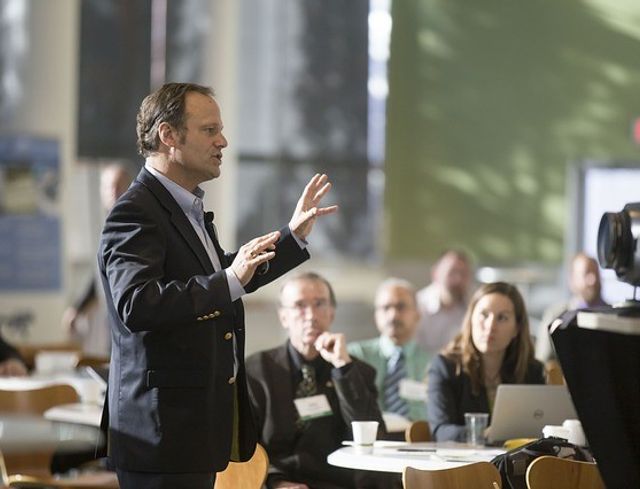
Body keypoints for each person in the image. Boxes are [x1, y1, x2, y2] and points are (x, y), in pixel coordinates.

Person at [98, 82, 337, 489]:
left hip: (191, 432)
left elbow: (221, 277)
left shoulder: (184, 205)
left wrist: (291, 237)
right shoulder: (136, 212)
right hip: (160, 436)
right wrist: (229, 278)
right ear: (168, 136)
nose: (223, 141)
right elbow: (137, 304)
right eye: (209, 130)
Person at [246, 272, 397, 489]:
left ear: (332, 313)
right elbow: (244, 448)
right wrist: (275, 481)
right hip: (271, 482)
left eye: (319, 304)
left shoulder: (356, 372)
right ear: (283, 317)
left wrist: (343, 368)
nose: (311, 315)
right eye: (299, 305)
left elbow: (372, 437)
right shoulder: (256, 370)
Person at [427, 282, 545, 442]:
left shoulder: (532, 371)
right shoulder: (445, 366)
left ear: (517, 329)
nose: (490, 326)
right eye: (484, 315)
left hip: (516, 464)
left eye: (502, 318)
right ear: (470, 319)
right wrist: (483, 434)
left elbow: (542, 428)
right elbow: (440, 431)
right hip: (463, 464)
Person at [62, 163, 132, 356]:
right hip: (110, 322)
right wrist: (77, 308)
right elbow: (99, 273)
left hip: (131, 317)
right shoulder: (107, 225)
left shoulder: (134, 223)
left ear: (129, 187)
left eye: (118, 186)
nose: (113, 192)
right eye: (108, 187)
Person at [348, 278, 430, 423]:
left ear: (417, 314)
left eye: (401, 307)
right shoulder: (356, 355)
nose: (393, 315)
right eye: (385, 308)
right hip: (372, 439)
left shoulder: (432, 363)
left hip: (421, 440)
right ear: (376, 316)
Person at [535, 252, 608, 362]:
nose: (593, 280)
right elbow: (542, 362)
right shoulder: (556, 316)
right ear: (572, 280)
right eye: (586, 273)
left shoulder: (615, 318)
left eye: (596, 273)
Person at [415, 250, 473, 355]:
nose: (458, 279)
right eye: (452, 272)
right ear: (435, 274)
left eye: (463, 273)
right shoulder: (417, 306)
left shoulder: (475, 307)